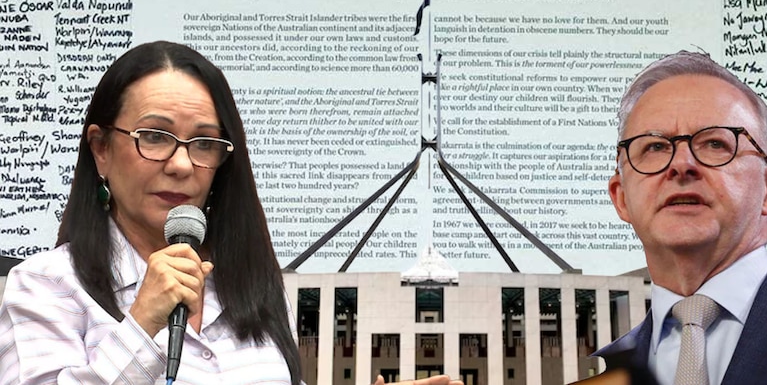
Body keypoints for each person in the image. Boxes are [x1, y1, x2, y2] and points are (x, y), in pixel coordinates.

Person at [0, 41, 462, 385]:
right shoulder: (46, 284)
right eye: (155, 137)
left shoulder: (249, 285)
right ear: (101, 149)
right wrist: (142, 324)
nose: (181, 165)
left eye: (203, 144)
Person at [595, 50, 767, 384]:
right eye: (654, 147)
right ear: (621, 198)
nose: (681, 165)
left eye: (715, 144)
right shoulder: (608, 371)